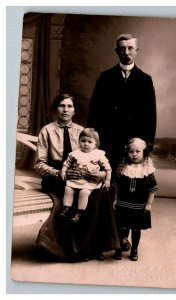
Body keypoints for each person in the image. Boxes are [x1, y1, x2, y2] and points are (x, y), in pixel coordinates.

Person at [87, 33, 157, 251]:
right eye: (122, 48)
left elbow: (150, 116)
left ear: (137, 51)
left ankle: (122, 237)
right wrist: (94, 145)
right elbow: (94, 112)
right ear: (116, 51)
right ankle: (101, 236)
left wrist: (145, 147)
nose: (126, 52)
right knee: (105, 188)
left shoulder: (145, 80)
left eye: (130, 48)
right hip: (107, 144)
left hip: (133, 148)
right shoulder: (105, 77)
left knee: (129, 192)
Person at [34, 93, 120, 262]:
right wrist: (60, 173)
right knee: (67, 199)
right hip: (57, 175)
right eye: (62, 106)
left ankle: (95, 246)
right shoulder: (47, 130)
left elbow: (98, 159)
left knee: (99, 194)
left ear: (74, 111)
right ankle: (68, 249)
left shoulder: (83, 131)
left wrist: (101, 175)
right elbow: (38, 164)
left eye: (69, 106)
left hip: (84, 175)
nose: (65, 110)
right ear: (56, 109)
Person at [112, 138, 158, 261]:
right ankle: (119, 248)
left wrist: (148, 204)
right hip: (123, 204)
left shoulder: (147, 170)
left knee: (136, 229)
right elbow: (116, 186)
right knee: (121, 227)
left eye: (138, 151)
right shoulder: (123, 168)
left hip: (138, 205)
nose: (134, 154)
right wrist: (115, 199)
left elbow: (152, 189)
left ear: (144, 153)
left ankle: (134, 249)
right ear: (127, 153)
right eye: (131, 151)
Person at [59, 127, 112, 223]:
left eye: (89, 142)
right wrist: (63, 171)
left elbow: (107, 168)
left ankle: (79, 213)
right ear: (79, 141)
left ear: (96, 144)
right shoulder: (75, 153)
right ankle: (66, 208)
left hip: (89, 181)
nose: (86, 144)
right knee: (68, 189)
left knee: (84, 192)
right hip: (76, 179)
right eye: (83, 141)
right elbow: (66, 163)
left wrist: (107, 180)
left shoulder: (98, 154)